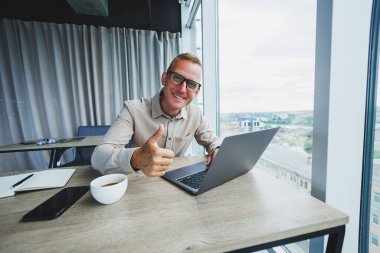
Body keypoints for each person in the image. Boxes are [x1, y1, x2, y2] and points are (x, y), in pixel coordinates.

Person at [91, 52, 221, 177]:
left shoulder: (196, 114)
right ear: (164, 79)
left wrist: (216, 150)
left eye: (191, 84)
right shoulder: (132, 110)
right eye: (177, 78)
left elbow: (213, 142)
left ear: (197, 91)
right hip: (139, 183)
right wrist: (137, 158)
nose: (182, 89)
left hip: (177, 183)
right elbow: (99, 156)